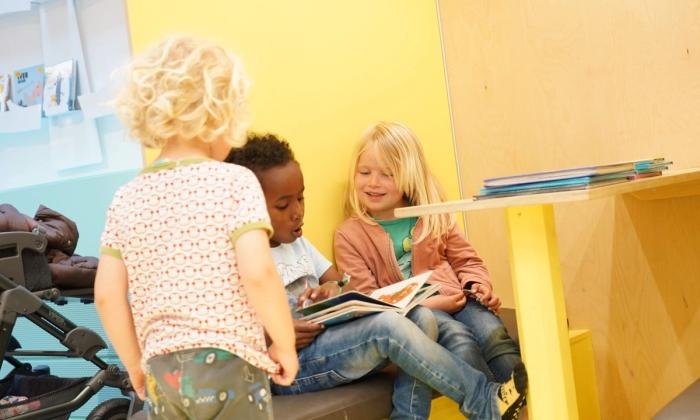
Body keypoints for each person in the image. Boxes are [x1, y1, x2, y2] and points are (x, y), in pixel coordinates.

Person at [226, 133, 527, 420]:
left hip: (330, 342)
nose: (297, 212)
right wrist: (275, 333)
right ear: (247, 208)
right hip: (292, 365)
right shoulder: (234, 257)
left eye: (301, 199)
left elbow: (339, 283)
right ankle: (482, 401)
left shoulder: (298, 244)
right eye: (283, 205)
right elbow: (224, 329)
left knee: (422, 319)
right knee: (389, 326)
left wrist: (330, 290)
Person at [94, 35, 297, 420]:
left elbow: (106, 295)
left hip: (162, 371)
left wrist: (136, 364)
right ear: (219, 113)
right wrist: (284, 343)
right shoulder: (234, 182)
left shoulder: (125, 197)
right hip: (231, 362)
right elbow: (258, 273)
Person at [335, 121, 523, 384]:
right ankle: (492, 407)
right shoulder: (349, 235)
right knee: (459, 340)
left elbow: (467, 261)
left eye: (387, 174)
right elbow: (368, 302)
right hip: (416, 313)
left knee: (493, 333)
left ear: (409, 175)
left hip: (460, 298)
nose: (373, 183)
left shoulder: (432, 215)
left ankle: (527, 404)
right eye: (364, 172)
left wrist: (479, 285)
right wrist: (427, 304)